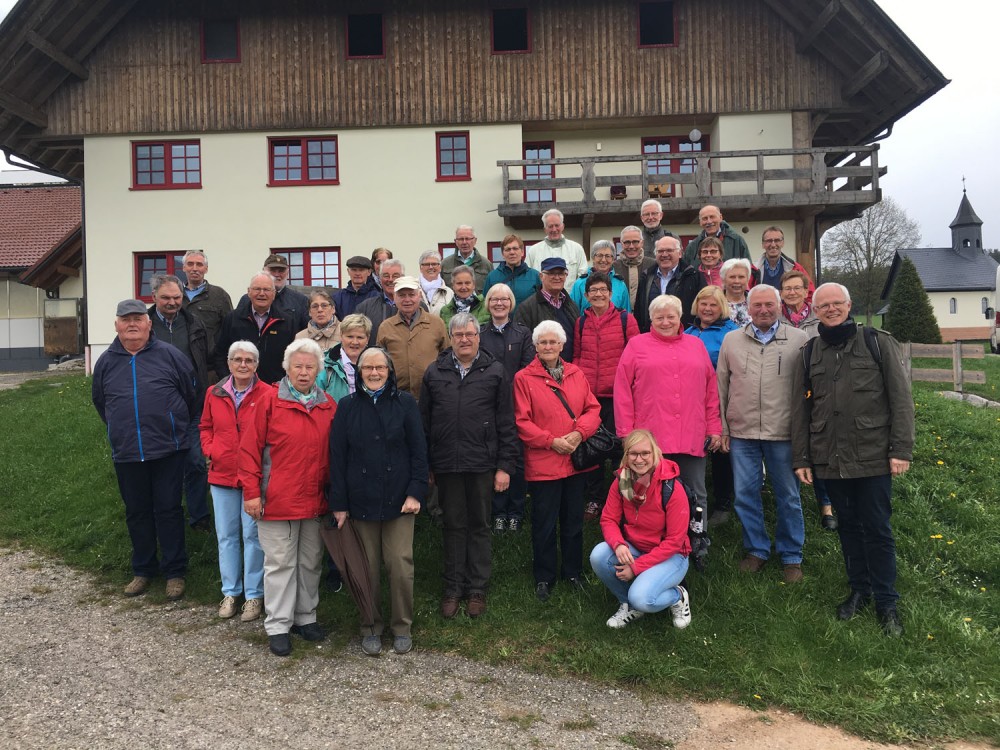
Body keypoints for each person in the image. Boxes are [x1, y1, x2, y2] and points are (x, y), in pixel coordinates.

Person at [791, 283, 914, 636]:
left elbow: (901, 399)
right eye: (823, 305)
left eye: (837, 304)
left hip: (873, 455)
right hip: (830, 457)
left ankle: (887, 602)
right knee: (848, 528)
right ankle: (859, 589)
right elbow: (801, 409)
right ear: (815, 310)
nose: (830, 309)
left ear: (849, 306)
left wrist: (901, 449)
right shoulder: (810, 351)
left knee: (877, 529)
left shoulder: (877, 342)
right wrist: (802, 457)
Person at [92, 299, 197, 601]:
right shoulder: (106, 362)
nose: (132, 324)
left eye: (138, 318)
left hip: (168, 449)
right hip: (127, 451)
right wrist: (120, 429)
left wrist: (172, 425)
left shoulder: (170, 356)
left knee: (168, 510)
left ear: (149, 323)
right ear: (117, 325)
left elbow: (190, 395)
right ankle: (143, 570)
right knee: (137, 512)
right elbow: (101, 402)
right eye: (126, 319)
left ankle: (175, 572)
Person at [239, 339, 336, 657]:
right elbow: (249, 450)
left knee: (310, 562)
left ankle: (305, 617)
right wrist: (252, 493)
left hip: (314, 501)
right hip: (276, 500)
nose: (304, 372)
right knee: (279, 564)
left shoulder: (327, 406)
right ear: (287, 368)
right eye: (298, 366)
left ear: (318, 371)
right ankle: (278, 625)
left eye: (310, 367)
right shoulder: (269, 401)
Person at [329, 346, 428, 656]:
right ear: (359, 373)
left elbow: (418, 452)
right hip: (360, 501)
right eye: (367, 368)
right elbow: (337, 457)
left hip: (400, 500)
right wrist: (340, 503)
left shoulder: (406, 403)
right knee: (366, 567)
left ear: (389, 371)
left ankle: (402, 627)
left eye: (380, 368)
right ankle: (370, 626)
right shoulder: (346, 406)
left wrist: (415, 492)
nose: (374, 373)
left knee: (400, 564)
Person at [421, 313, 519, 620]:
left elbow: (506, 422)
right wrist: (425, 464)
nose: (464, 339)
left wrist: (504, 466)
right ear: (451, 338)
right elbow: (424, 423)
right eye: (459, 334)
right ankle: (453, 587)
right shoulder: (435, 372)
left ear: (479, 337)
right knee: (453, 526)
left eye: (470, 334)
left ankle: (477, 588)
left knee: (479, 526)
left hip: (481, 463)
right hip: (446, 463)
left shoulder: (495, 371)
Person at [717, 285, 809, 582]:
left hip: (782, 432)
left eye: (769, 304)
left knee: (788, 496)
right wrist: (724, 427)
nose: (763, 310)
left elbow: (808, 389)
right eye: (757, 305)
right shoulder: (732, 340)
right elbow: (722, 387)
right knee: (744, 495)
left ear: (779, 306)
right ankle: (756, 549)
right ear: (748, 307)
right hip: (742, 431)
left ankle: (791, 555)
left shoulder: (799, 340)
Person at [514, 321, 602, 602]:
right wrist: (551, 441)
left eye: (553, 342)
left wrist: (579, 433)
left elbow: (593, 408)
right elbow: (521, 421)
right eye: (543, 343)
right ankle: (544, 576)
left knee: (573, 521)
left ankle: (573, 571)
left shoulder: (576, 373)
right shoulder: (524, 378)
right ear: (536, 347)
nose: (548, 347)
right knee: (544, 523)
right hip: (544, 462)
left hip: (575, 461)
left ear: (562, 345)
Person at [615, 294, 722, 524]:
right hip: (650, 436)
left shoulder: (696, 345)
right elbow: (622, 390)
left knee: (695, 493)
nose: (666, 322)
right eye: (659, 317)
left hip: (691, 433)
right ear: (651, 319)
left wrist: (714, 427)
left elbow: (710, 390)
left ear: (680, 317)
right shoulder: (636, 345)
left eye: (671, 317)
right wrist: (626, 433)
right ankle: (648, 540)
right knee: (645, 491)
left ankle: (697, 540)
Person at [590, 429, 692, 630]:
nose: (639, 459)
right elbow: (608, 519)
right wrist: (619, 545)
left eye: (645, 453)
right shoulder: (622, 482)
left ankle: (677, 596)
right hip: (636, 546)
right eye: (633, 453)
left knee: (642, 598)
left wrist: (636, 568)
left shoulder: (671, 487)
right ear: (626, 456)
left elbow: (674, 541)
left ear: (655, 454)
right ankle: (628, 604)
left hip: (671, 555)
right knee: (599, 555)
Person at [199, 340, 270, 622]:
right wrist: (210, 449)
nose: (243, 365)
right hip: (222, 474)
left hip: (254, 477)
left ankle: (254, 596)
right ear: (228, 364)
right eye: (238, 360)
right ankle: (230, 591)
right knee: (226, 536)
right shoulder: (214, 393)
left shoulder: (267, 393)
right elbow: (205, 425)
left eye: (249, 360)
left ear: (256, 365)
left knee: (253, 536)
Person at [146, 274, 213, 532]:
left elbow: (204, 359)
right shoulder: (145, 324)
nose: (172, 302)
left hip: (192, 405)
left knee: (196, 462)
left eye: (176, 297)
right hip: (157, 409)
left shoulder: (194, 323)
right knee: (162, 465)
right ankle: (164, 514)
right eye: (166, 298)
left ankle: (199, 517)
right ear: (154, 298)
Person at [573, 272, 640, 521]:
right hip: (590, 398)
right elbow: (578, 357)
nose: (598, 294)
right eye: (593, 291)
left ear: (611, 294)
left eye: (603, 290)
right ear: (586, 295)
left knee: (621, 448)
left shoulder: (626, 320)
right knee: (592, 450)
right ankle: (594, 499)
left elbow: (636, 357)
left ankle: (623, 496)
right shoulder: (581, 323)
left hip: (619, 396)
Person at [479, 283, 535, 533]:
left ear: (511, 304)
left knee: (518, 459)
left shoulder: (523, 334)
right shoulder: (480, 334)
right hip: (488, 406)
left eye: (504, 299)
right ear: (488, 303)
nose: (499, 303)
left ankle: (516, 511)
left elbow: (526, 370)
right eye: (494, 299)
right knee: (494, 457)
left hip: (517, 405)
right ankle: (498, 511)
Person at [780, 270, 833, 530]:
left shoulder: (818, 318)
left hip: (817, 385)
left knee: (819, 443)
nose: (791, 293)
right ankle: (795, 494)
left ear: (805, 291)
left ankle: (826, 503)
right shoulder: (775, 318)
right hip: (786, 385)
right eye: (787, 289)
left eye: (796, 288)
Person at [685, 285, 739, 527]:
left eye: (713, 304)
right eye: (703, 303)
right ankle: (686, 500)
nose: (707, 309)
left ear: (722, 307)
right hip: (690, 402)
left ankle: (723, 502)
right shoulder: (687, 331)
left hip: (719, 398)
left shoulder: (732, 333)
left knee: (720, 450)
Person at [213, 273, 300, 385]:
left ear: (273, 294)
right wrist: (229, 380)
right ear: (249, 292)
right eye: (257, 289)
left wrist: (285, 384)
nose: (262, 293)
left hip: (275, 389)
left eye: (267, 289)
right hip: (240, 387)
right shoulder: (233, 319)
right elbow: (220, 354)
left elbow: (293, 358)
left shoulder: (287, 321)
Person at [377, 275, 449, 400]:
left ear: (420, 296)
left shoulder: (437, 324)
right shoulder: (385, 327)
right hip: (396, 397)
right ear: (394, 298)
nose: (407, 299)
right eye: (401, 295)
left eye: (411, 294)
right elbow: (379, 362)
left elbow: (447, 357)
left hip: (431, 395)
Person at [514, 257, 581, 362]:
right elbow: (522, 346)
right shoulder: (526, 308)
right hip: (541, 372)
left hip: (569, 371)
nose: (557, 277)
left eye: (561, 273)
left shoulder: (572, 306)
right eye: (551, 273)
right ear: (541, 276)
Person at [634, 235, 705, 331]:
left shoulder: (693, 276)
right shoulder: (646, 277)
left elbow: (701, 309)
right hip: (652, 337)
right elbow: (639, 311)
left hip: (684, 336)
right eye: (660, 251)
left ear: (679, 253)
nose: (664, 254)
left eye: (669, 250)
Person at [180, 250, 233, 361]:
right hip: (181, 362)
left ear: (206, 269)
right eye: (190, 264)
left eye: (199, 264)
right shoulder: (175, 295)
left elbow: (230, 330)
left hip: (210, 366)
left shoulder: (220, 296)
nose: (194, 268)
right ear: (184, 267)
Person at [318, 313, 371, 402]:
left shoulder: (378, 365)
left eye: (360, 337)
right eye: (350, 336)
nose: (355, 342)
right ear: (341, 336)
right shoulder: (325, 366)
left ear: (368, 339)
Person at [525, 208, 588, 281]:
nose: (554, 229)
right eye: (550, 226)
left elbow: (583, 278)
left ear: (563, 226)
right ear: (545, 229)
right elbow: (528, 277)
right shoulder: (533, 251)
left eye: (557, 225)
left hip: (570, 292)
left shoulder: (577, 249)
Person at [570, 240, 631, 313]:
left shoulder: (620, 285)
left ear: (613, 259)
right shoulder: (579, 284)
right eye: (599, 255)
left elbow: (626, 314)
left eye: (608, 256)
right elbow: (572, 314)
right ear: (593, 257)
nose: (603, 260)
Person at [755, 226, 815, 300]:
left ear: (782, 243)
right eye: (769, 241)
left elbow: (810, 294)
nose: (773, 245)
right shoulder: (753, 270)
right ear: (763, 244)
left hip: (789, 311)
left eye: (777, 240)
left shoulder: (796, 269)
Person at [483, 233, 541, 308]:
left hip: (528, 319)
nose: (512, 252)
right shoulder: (492, 277)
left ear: (522, 252)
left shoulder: (535, 276)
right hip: (500, 319)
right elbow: (485, 304)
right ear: (502, 254)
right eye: (508, 249)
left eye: (515, 248)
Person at [682, 204, 750, 266]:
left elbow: (749, 270)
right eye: (705, 218)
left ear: (720, 217)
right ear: (700, 222)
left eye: (712, 217)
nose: (709, 221)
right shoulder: (692, 246)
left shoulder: (737, 241)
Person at [357, 259, 406, 346]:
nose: (390, 280)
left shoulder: (417, 306)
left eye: (395, 276)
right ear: (379, 279)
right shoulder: (365, 307)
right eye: (386, 276)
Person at [612, 225, 656, 311]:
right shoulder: (613, 267)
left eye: (635, 242)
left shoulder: (653, 265)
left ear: (642, 243)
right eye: (627, 242)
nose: (631, 246)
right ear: (621, 244)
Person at [262, 253, 310, 330]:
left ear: (287, 273)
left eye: (281, 271)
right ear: (264, 271)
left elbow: (307, 331)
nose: (277, 274)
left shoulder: (300, 301)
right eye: (273, 270)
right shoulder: (248, 299)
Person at [441, 225, 493, 293]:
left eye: (468, 239)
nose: (464, 242)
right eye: (461, 239)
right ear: (455, 241)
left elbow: (491, 291)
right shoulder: (445, 264)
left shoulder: (486, 264)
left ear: (475, 240)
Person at [333, 255, 380, 320]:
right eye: (354, 270)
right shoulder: (338, 297)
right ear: (348, 271)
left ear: (369, 272)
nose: (357, 273)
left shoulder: (377, 297)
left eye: (361, 270)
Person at [417, 250, 454, 315]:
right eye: (427, 264)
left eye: (434, 264)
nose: (431, 267)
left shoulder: (449, 293)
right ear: (421, 268)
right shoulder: (413, 289)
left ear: (440, 267)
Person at [720, 258, 753, 327]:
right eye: (732, 277)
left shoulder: (755, 301)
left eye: (741, 277)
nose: (737, 281)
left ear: (748, 279)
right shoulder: (716, 302)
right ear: (723, 280)